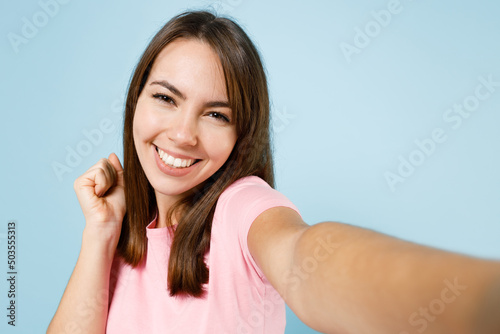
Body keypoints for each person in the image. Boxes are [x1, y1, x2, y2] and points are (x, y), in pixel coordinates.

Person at [47, 10, 500, 334]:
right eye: (166, 98)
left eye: (217, 115)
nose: (184, 134)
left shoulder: (241, 206)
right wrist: (101, 232)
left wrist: (476, 299)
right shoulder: (123, 239)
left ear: (241, 135)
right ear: (136, 102)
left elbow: (305, 254)